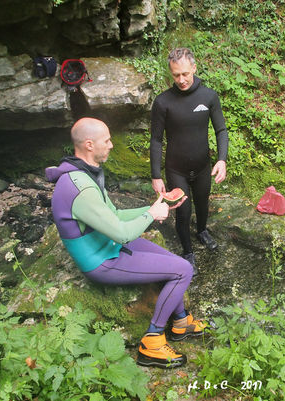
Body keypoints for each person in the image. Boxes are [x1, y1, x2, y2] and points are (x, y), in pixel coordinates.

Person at [46, 117, 206, 369]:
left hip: (108, 244)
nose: (111, 145)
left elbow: (116, 216)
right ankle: (151, 342)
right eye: (107, 140)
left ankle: (180, 323)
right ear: (89, 144)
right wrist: (150, 216)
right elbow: (121, 233)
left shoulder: (84, 174)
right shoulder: (80, 187)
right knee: (183, 269)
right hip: (102, 261)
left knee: (176, 263)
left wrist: (155, 206)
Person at [150, 47, 229, 274]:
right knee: (183, 211)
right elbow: (156, 140)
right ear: (170, 73)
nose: (182, 80)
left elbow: (221, 130)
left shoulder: (208, 96)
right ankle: (187, 251)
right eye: (176, 75)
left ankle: (202, 230)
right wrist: (156, 175)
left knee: (203, 203)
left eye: (185, 73)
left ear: (194, 67)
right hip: (177, 169)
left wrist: (221, 159)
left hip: (203, 165)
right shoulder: (163, 102)